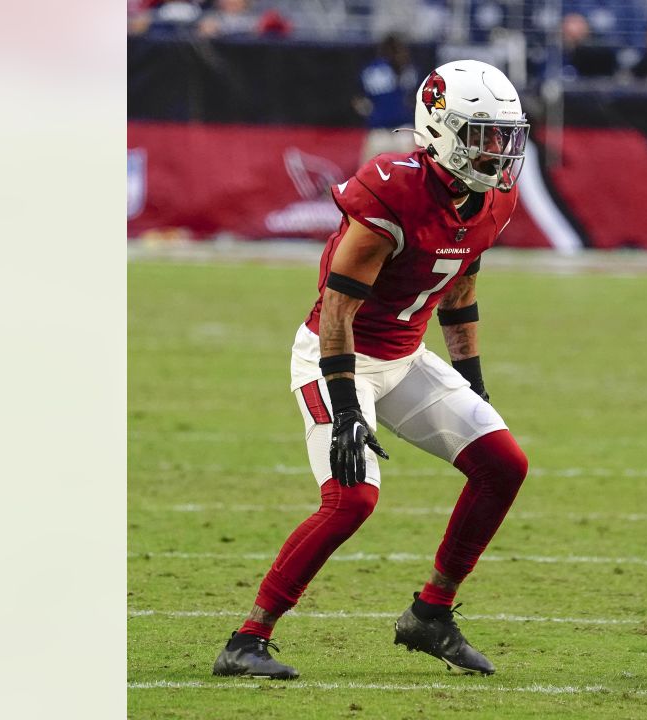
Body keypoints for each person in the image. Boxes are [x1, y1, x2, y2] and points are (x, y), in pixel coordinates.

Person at [213, 59, 531, 680]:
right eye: (481, 134)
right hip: (338, 355)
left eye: (503, 135)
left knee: (503, 464)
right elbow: (337, 311)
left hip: (405, 358)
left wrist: (473, 379)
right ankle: (246, 640)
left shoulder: (494, 199)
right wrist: (346, 406)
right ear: (439, 130)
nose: (496, 152)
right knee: (351, 498)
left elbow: (460, 281)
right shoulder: (391, 190)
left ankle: (430, 615)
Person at [354, 34, 421, 167]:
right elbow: (358, 99)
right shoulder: (407, 69)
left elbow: (358, 99)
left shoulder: (407, 69)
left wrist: (369, 112)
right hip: (387, 130)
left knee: (366, 178)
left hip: (396, 130)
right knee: (410, 174)